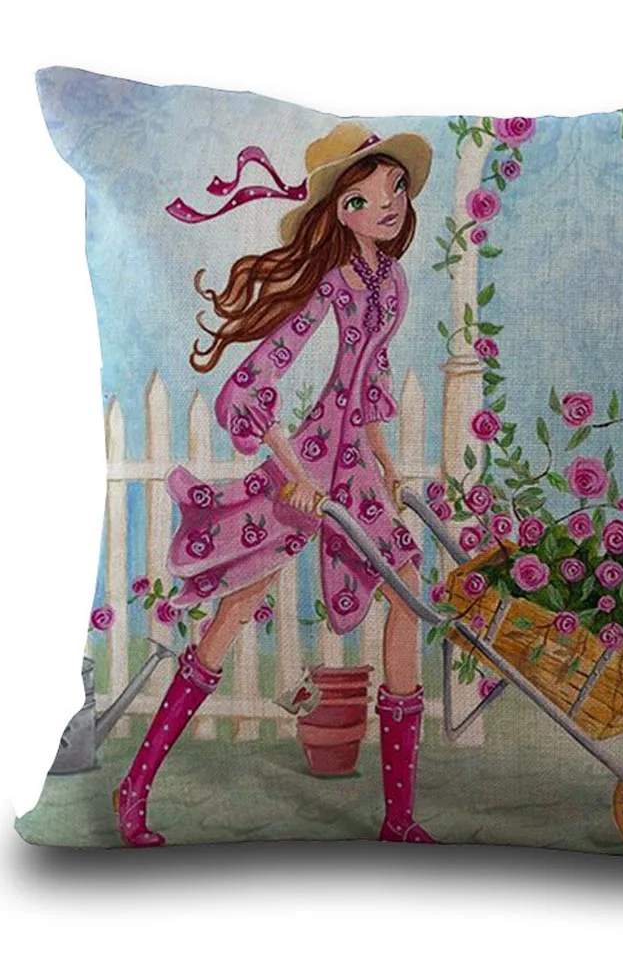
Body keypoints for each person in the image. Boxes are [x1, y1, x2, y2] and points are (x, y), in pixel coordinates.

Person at [112, 122, 438, 846]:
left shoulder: (392, 282)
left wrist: (385, 462)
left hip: (355, 469)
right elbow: (253, 383)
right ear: (339, 212)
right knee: (235, 610)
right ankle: (134, 786)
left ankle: (398, 818)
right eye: (362, 197)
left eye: (394, 187)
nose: (386, 204)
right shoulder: (330, 283)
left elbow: (370, 380)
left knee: (409, 592)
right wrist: (294, 474)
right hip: (305, 470)